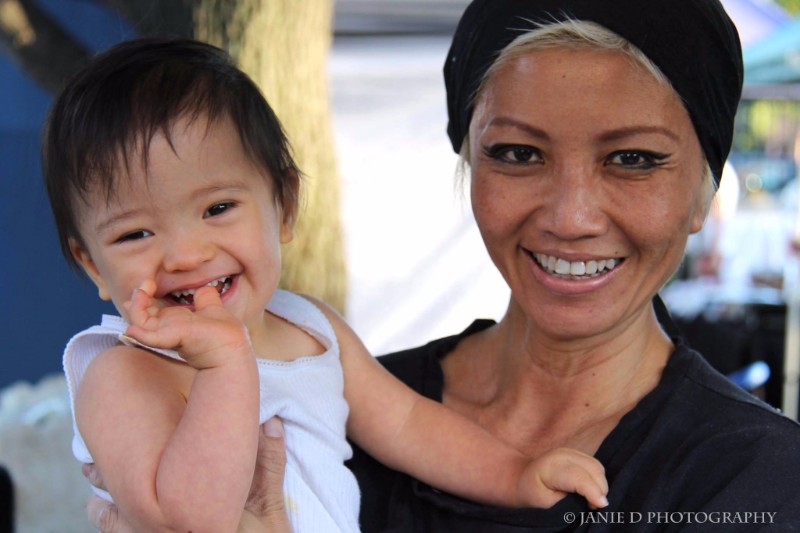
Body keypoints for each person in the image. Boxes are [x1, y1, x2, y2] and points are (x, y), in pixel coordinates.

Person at [86, 0, 800, 529]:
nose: (571, 215)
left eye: (633, 159)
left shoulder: (750, 479)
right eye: (518, 153)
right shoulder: (343, 406)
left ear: (704, 191)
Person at [46, 38, 609, 533]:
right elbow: (188, 522)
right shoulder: (124, 374)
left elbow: (408, 424)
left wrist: (515, 475)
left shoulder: (311, 328)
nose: (187, 255)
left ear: (285, 206)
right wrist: (224, 364)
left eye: (217, 208)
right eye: (136, 234)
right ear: (92, 265)